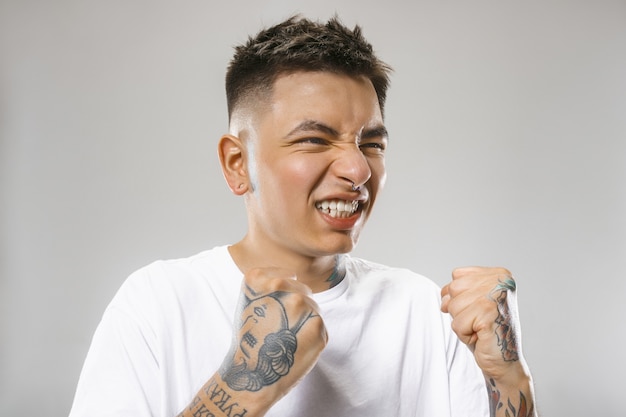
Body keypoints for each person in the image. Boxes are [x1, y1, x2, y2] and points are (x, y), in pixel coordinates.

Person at [69, 15, 537, 417]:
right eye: (314, 139)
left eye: (371, 144)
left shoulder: (426, 311)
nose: (357, 170)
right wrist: (238, 387)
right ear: (237, 164)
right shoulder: (157, 305)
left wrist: (509, 374)